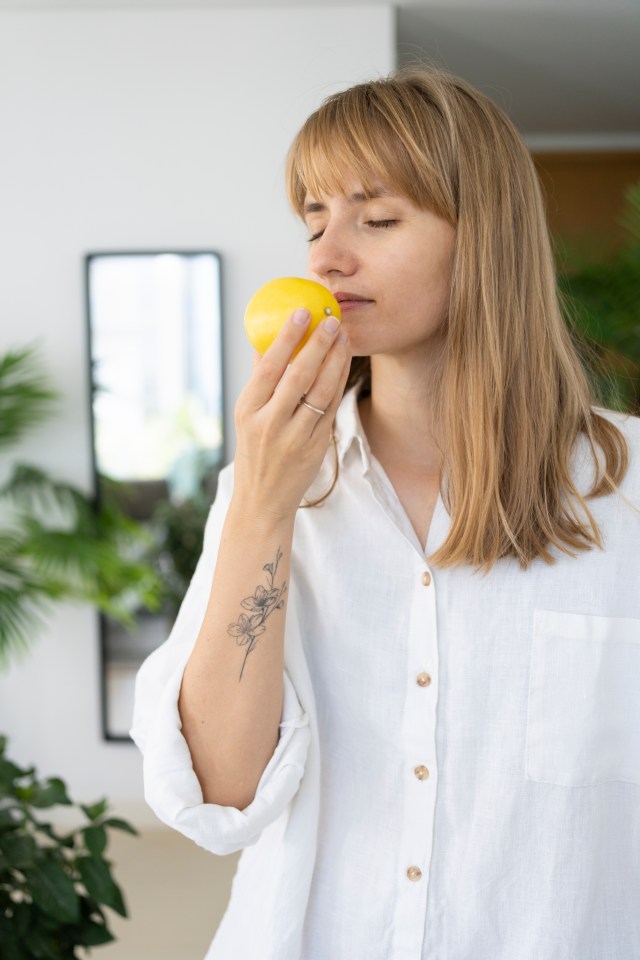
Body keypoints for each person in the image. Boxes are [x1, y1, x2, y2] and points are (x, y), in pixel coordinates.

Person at [131, 65, 640, 960]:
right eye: (315, 221)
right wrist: (262, 507)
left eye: (376, 218)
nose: (326, 257)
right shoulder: (265, 487)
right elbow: (219, 793)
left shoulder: (627, 491)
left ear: (483, 240)